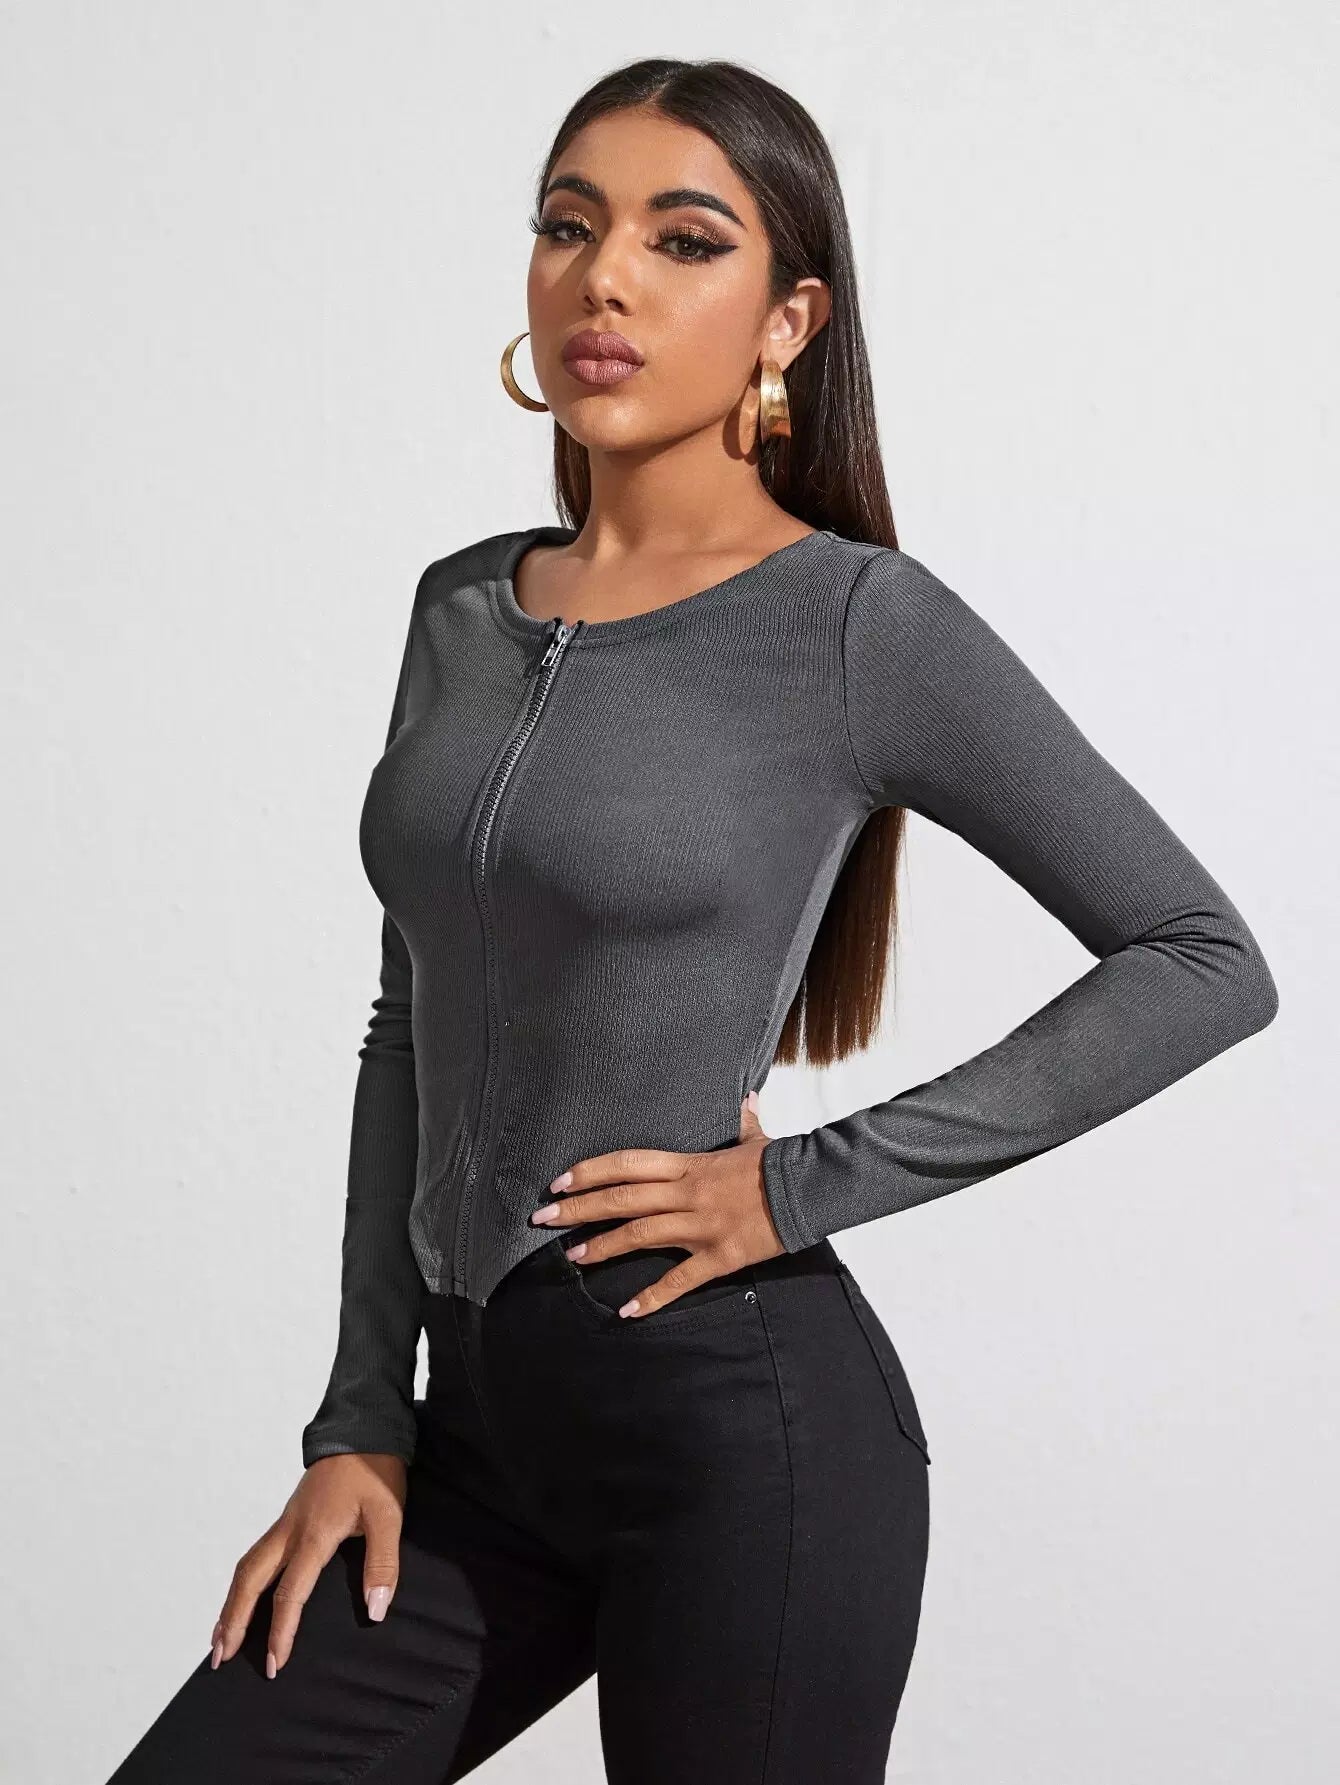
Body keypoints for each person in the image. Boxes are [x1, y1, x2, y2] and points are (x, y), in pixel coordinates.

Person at [105, 55, 1278, 1785]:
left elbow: (1200, 958)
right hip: (470, 1448)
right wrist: (360, 1418)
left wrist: (800, 1185)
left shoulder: (856, 624)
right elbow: (409, 1023)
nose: (607, 279)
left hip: (740, 1446)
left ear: (788, 319)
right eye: (568, 226)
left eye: (684, 238)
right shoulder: (459, 608)